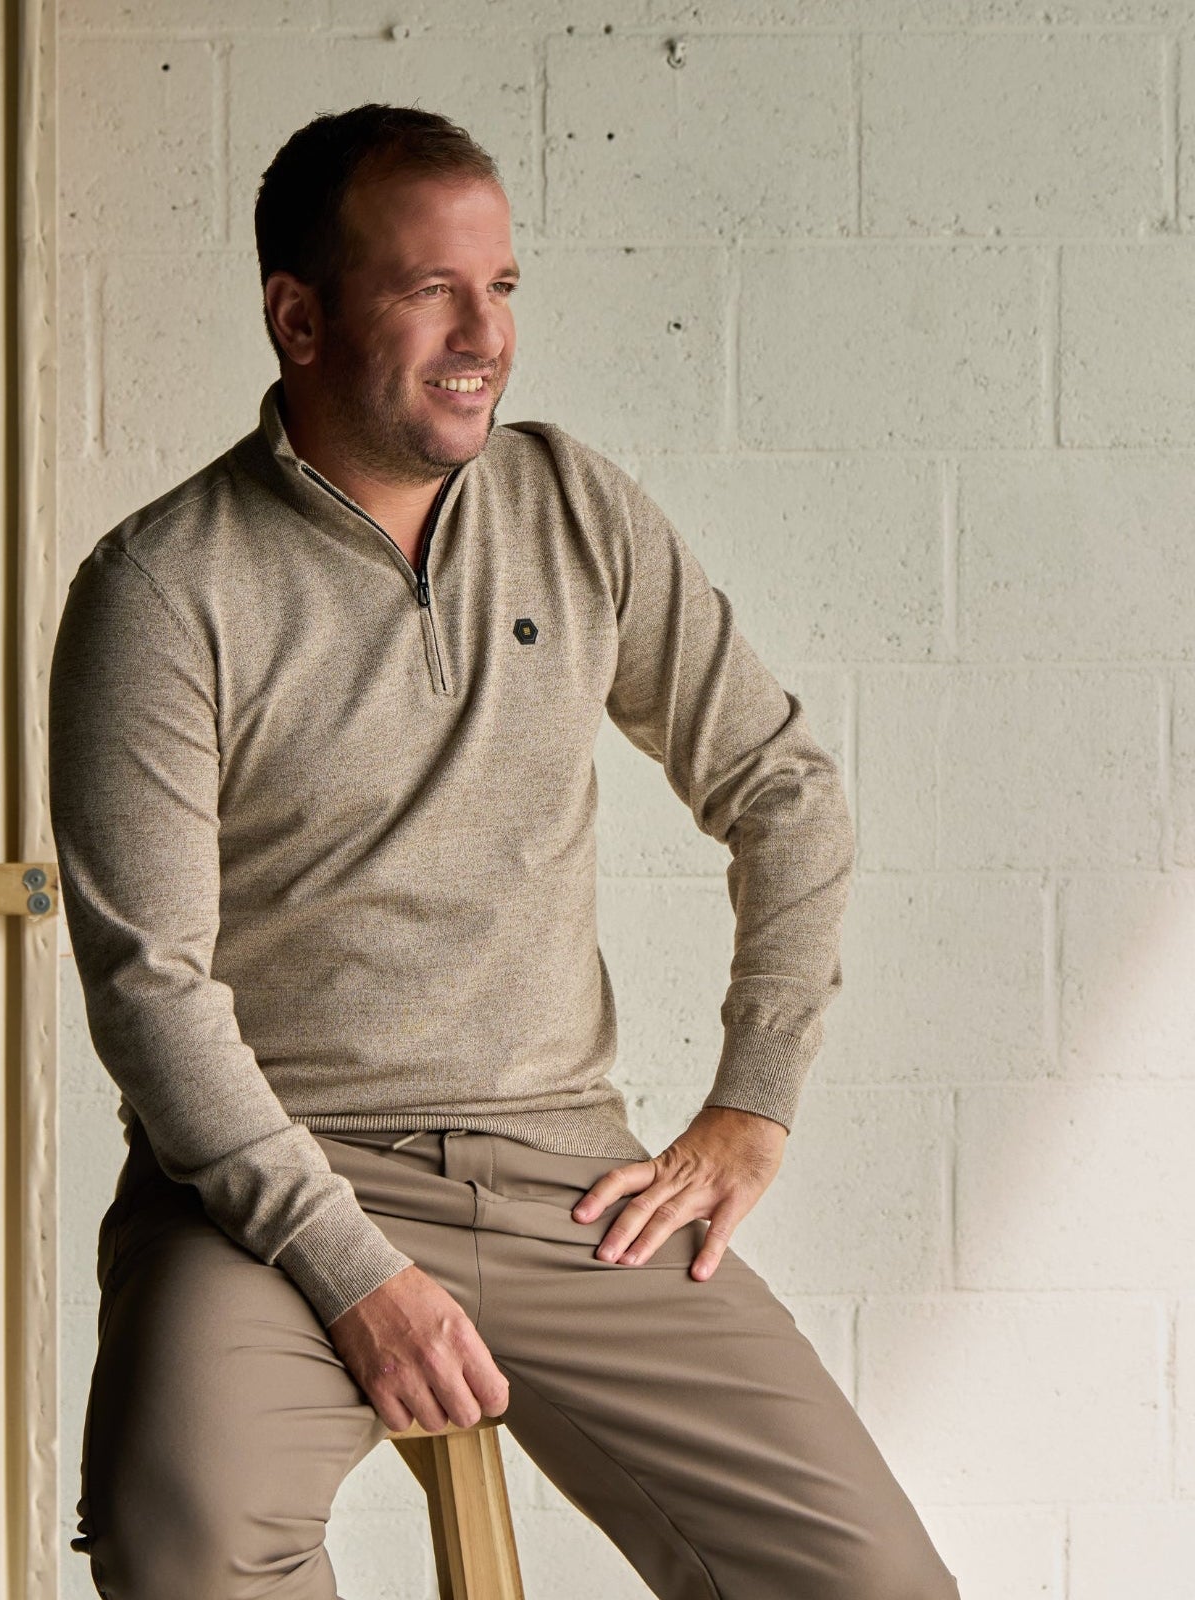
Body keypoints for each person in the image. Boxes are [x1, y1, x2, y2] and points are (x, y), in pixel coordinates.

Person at [48, 103, 959, 1600]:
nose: (485, 337)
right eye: (432, 290)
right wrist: (354, 1272)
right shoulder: (162, 588)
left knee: (878, 1588)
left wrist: (756, 1098)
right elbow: (150, 991)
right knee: (185, 1545)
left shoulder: (572, 506)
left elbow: (783, 786)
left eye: (504, 288)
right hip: (271, 1193)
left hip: (566, 1183)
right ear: (299, 317)